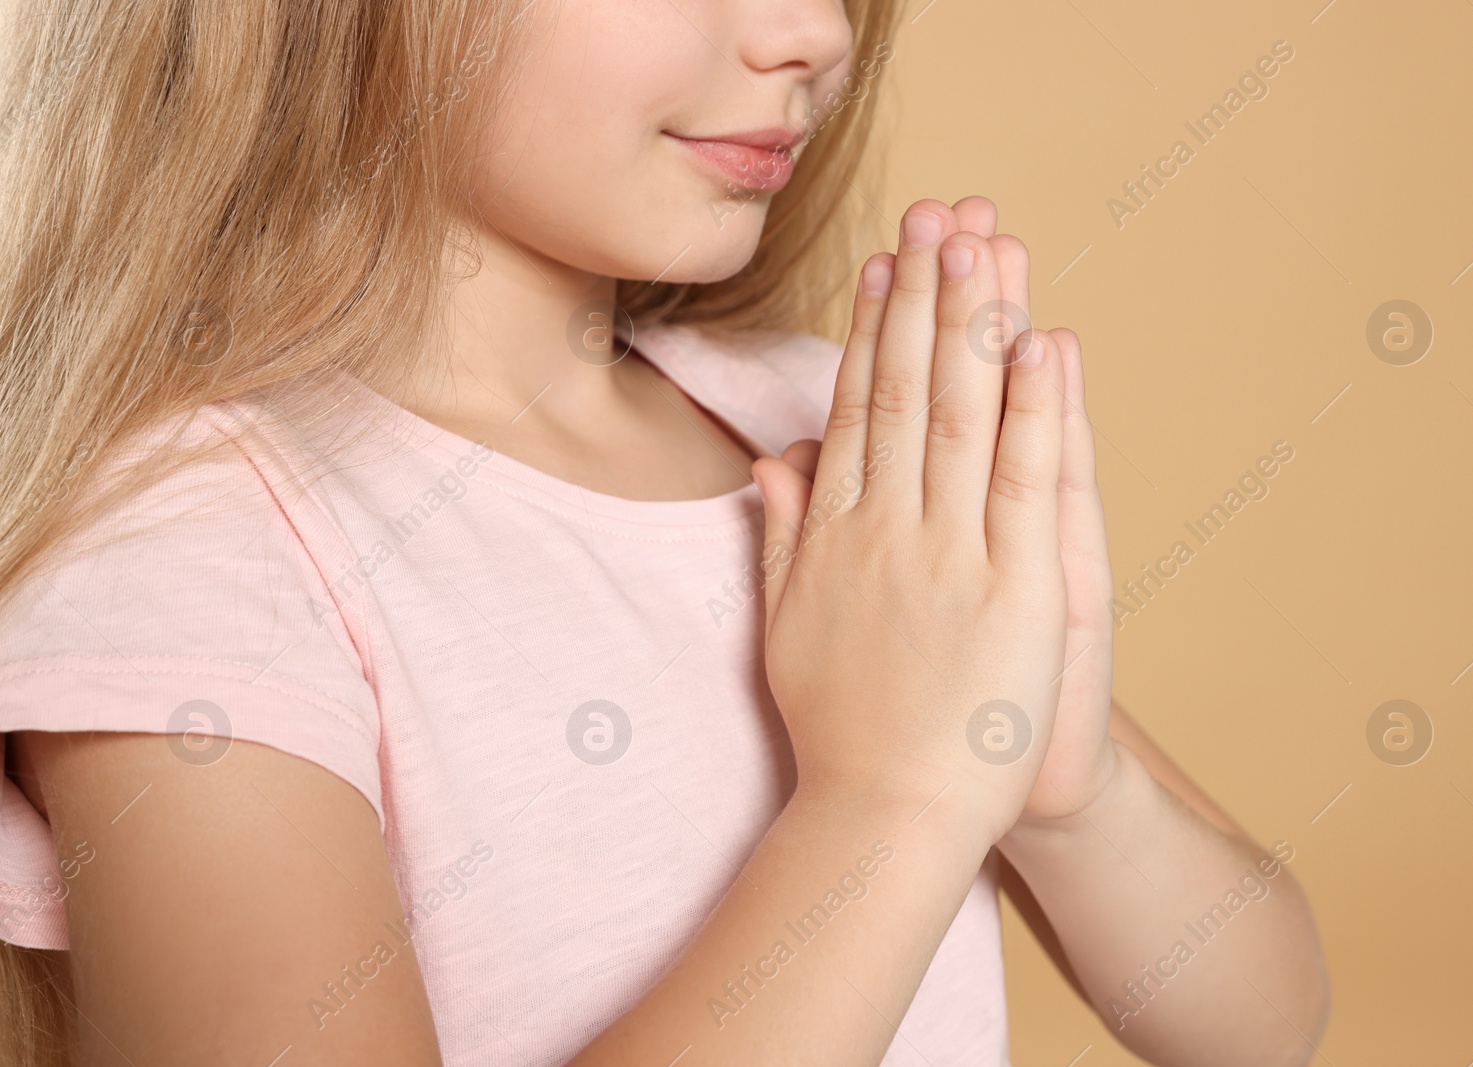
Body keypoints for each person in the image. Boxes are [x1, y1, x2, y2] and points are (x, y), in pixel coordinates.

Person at [0, 1, 1328, 1064]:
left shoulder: (813, 425)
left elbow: (1262, 1025)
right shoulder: (188, 548)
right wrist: (892, 803)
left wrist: (1064, 780)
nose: (817, 34)